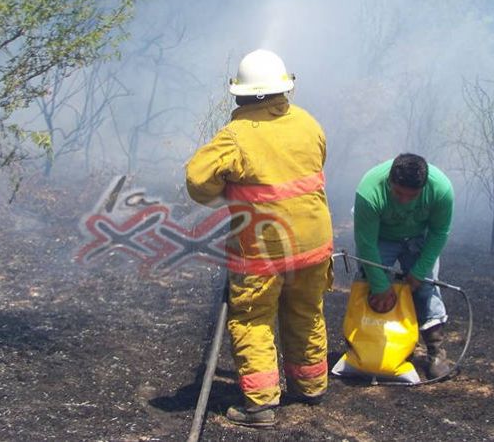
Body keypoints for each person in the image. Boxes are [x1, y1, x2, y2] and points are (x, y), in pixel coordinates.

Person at [186, 49, 333, 427]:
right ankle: (311, 384)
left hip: (263, 251)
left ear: (241, 94)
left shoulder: (236, 136)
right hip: (315, 243)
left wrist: (225, 188)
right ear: (284, 88)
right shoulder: (308, 124)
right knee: (306, 311)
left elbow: (197, 181)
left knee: (253, 319)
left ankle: (261, 406)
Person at [353, 153, 454, 380]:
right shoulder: (369, 191)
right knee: (369, 284)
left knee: (427, 288)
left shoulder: (441, 190)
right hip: (381, 238)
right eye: (398, 193)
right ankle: (368, 347)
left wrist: (419, 272)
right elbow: (366, 243)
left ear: (424, 186)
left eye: (412, 195)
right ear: (390, 181)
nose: (404, 200)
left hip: (420, 237)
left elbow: (439, 233)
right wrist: (379, 285)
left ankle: (436, 353)